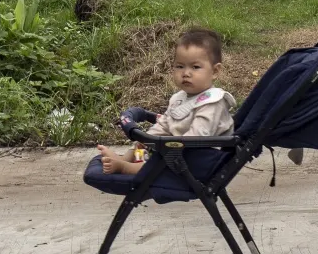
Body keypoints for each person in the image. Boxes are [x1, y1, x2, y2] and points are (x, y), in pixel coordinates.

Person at [96, 27, 236, 174]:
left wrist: (166, 147)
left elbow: (197, 137)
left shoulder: (212, 103)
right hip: (179, 150)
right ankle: (125, 158)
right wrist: (147, 139)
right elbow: (164, 125)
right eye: (180, 66)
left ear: (215, 71)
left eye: (195, 67)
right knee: (144, 142)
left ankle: (127, 168)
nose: (186, 73)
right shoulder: (179, 98)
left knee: (160, 157)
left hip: (200, 160)